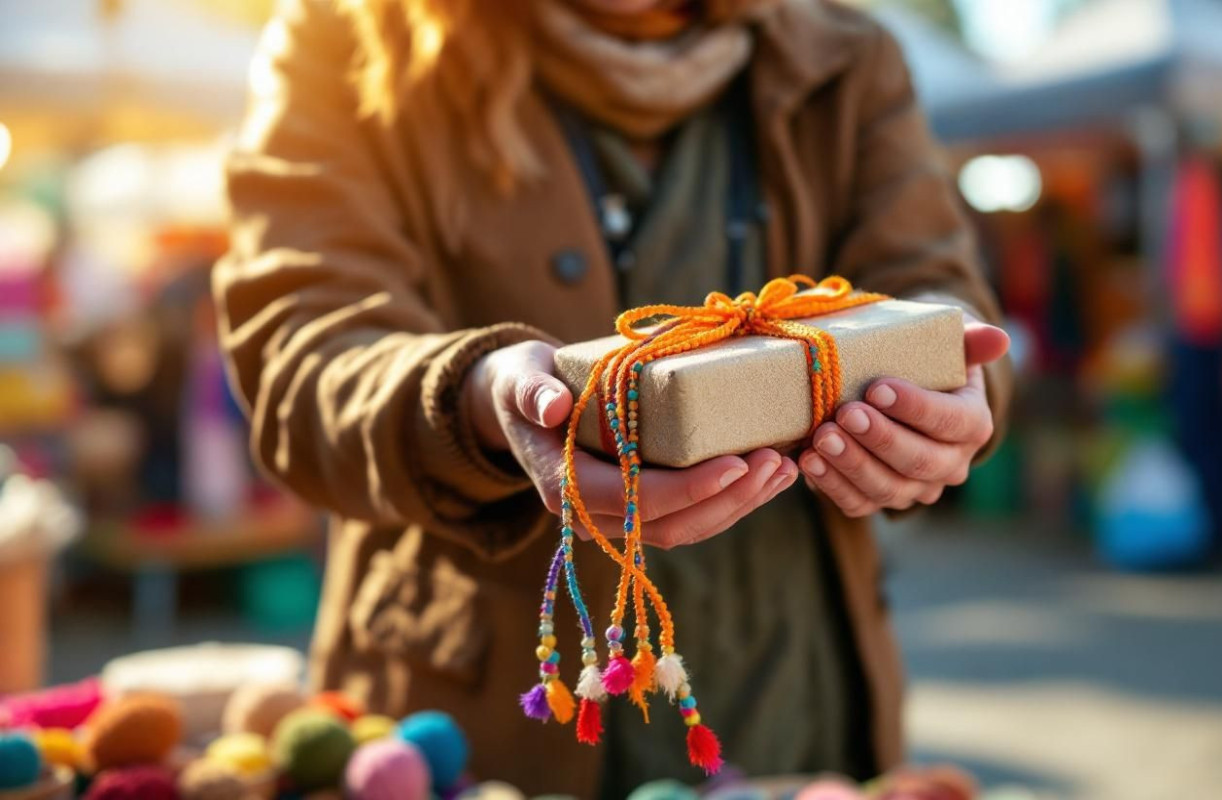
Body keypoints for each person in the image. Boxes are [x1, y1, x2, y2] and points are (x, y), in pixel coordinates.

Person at [215, 0, 1011, 795]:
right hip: (484, 715)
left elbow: (934, 288)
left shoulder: (845, 56)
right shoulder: (344, 36)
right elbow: (302, 353)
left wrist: (953, 390)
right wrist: (477, 399)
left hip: (790, 681)